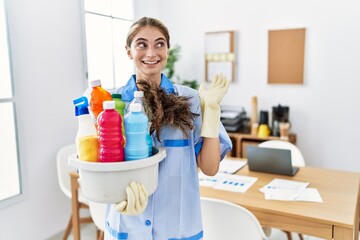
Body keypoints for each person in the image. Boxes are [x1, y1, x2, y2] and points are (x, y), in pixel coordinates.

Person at [105, 16, 232, 240]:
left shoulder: (191, 100)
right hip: (127, 227)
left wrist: (211, 113)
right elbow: (93, 167)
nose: (151, 53)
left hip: (177, 229)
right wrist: (115, 195)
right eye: (142, 44)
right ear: (128, 51)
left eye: (159, 44)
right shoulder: (110, 104)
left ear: (168, 50)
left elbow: (210, 168)